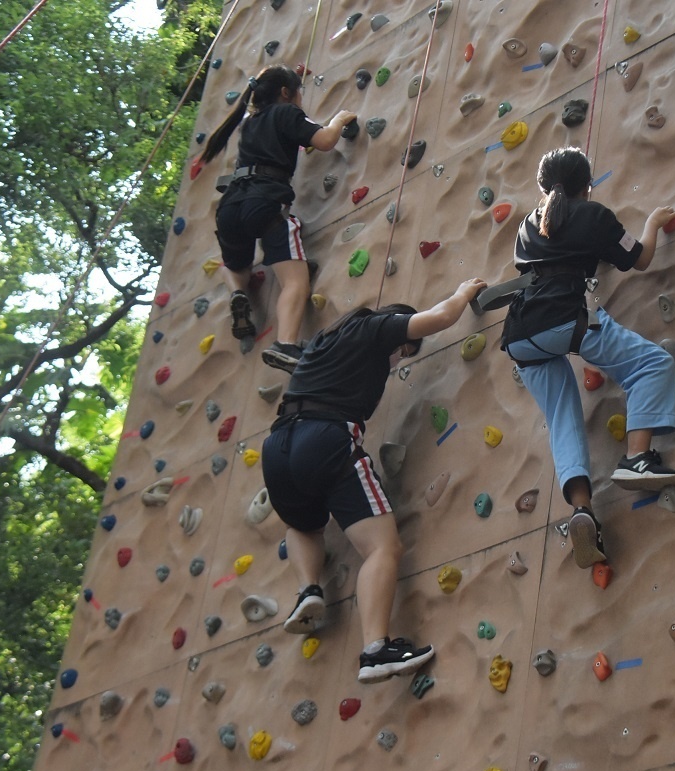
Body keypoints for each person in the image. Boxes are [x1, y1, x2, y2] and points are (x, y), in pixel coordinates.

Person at [262, 277, 488, 683]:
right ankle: (376, 649)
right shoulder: (375, 328)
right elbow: (438, 318)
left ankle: (309, 589)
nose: (398, 360)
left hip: (278, 446)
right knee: (383, 546)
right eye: (403, 352)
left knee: (302, 523)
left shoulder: (322, 344)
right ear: (397, 328)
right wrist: (463, 292)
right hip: (327, 437)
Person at [500, 146, 675, 570]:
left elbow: (553, 251)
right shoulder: (594, 216)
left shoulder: (527, 226)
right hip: (566, 319)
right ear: (588, 184)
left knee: (563, 418)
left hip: (521, 336)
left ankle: (582, 510)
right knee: (653, 364)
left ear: (543, 187)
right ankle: (637, 459)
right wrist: (653, 223)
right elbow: (640, 258)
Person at [199, 64, 357, 372]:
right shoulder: (286, 113)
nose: (300, 98)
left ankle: (238, 292)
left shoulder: (248, 124)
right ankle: (286, 344)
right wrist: (338, 120)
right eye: (299, 92)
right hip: (265, 204)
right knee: (295, 282)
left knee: (234, 266)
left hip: (231, 205)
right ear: (286, 92)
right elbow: (324, 141)